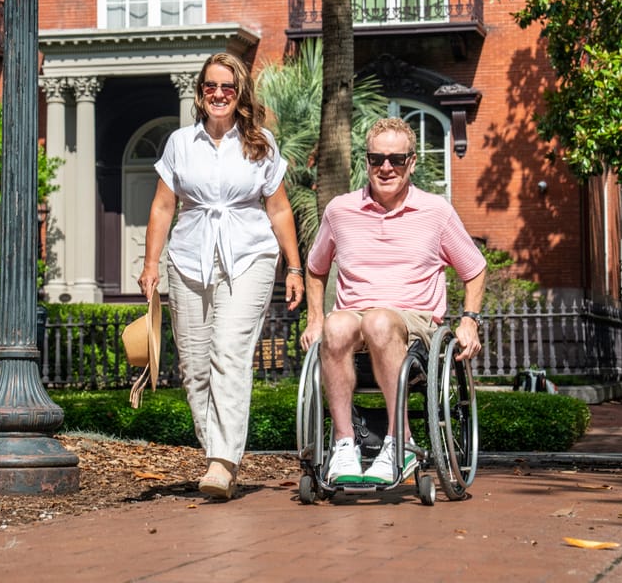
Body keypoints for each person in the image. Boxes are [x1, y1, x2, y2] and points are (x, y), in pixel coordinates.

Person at [138, 52, 304, 500]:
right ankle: (217, 451)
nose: (218, 94)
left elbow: (279, 208)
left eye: (227, 87)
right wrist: (151, 264)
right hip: (189, 257)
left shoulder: (261, 143)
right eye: (210, 86)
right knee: (193, 368)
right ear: (200, 92)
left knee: (229, 352)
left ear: (240, 93)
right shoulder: (179, 143)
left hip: (248, 255)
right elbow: (162, 207)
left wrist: (294, 266)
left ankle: (221, 461)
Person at [301, 117, 487, 486]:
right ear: (366, 161)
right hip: (355, 319)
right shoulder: (340, 210)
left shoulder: (436, 212)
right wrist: (315, 318)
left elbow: (475, 268)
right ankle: (344, 445)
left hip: (414, 322)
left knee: (380, 320)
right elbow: (315, 267)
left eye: (396, 160)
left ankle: (400, 442)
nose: (386, 167)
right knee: (337, 325)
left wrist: (469, 320)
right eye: (377, 159)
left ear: (412, 163)